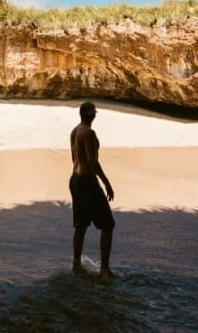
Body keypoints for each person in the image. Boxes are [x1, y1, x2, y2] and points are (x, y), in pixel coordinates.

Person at [69, 100, 115, 279]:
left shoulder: (75, 131)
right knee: (108, 225)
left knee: (81, 225)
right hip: (87, 181)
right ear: (92, 115)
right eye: (94, 112)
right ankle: (104, 270)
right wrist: (106, 182)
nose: (95, 115)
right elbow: (92, 161)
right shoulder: (88, 133)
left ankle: (76, 264)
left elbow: (75, 157)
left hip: (74, 179)